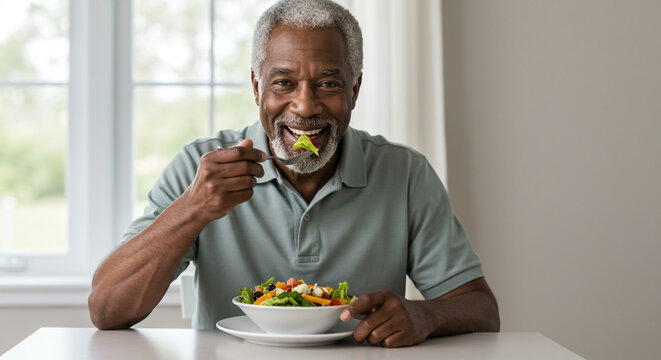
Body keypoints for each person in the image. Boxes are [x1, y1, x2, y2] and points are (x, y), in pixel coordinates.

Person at [88, 0, 499, 347]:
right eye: (283, 83)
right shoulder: (201, 168)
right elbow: (107, 310)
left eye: (328, 84)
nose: (304, 107)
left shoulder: (405, 172)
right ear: (256, 88)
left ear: (354, 90)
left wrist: (424, 315)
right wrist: (192, 209)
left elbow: (481, 308)